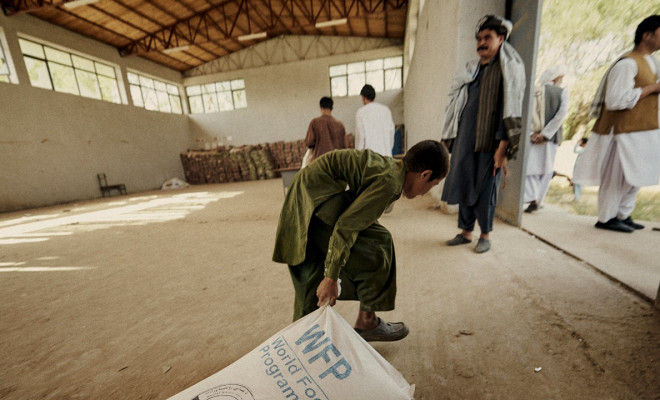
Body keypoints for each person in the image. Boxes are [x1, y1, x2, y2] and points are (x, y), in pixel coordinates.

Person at [272, 140, 450, 342]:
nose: (425, 192)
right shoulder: (390, 183)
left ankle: (314, 335)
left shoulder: (391, 169)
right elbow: (346, 226)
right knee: (376, 246)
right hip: (315, 199)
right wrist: (331, 277)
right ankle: (359, 324)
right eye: (432, 185)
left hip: (311, 193)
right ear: (425, 174)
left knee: (316, 268)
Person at [440, 15, 526, 253]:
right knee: (465, 184)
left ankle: (485, 235)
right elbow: (456, 106)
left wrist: (502, 148)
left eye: (487, 37)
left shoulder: (506, 71)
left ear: (501, 39)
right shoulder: (471, 71)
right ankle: (466, 232)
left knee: (486, 191)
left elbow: (507, 110)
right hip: (465, 139)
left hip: (491, 142)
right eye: (479, 38)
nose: (481, 43)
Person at [573, 15, 660, 233]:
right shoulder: (628, 63)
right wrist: (652, 89)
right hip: (621, 131)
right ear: (647, 35)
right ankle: (607, 217)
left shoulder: (652, 62)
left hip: (643, 130)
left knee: (635, 175)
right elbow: (615, 100)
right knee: (616, 175)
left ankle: (623, 214)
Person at [524, 65, 570, 213]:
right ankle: (538, 199)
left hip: (532, 137)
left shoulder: (533, 91)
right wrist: (545, 133)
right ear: (555, 78)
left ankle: (532, 198)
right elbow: (561, 115)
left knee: (531, 167)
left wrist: (531, 133)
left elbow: (526, 114)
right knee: (547, 169)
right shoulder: (563, 92)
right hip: (551, 137)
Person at [355, 84, 395, 157]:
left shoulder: (360, 112)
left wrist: (358, 155)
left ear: (363, 97)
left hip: (369, 158)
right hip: (386, 156)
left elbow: (360, 136)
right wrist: (388, 149)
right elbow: (391, 133)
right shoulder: (386, 110)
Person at [303, 96, 346, 165]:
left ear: (321, 108)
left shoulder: (315, 122)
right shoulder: (340, 125)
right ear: (332, 108)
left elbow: (309, 143)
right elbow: (345, 147)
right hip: (336, 163)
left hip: (320, 163)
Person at [571, 137, 588, 202]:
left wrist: (577, 144)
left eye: (580, 141)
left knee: (577, 182)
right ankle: (576, 197)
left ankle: (577, 198)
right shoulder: (585, 149)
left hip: (580, 167)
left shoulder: (584, 149)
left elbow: (575, 151)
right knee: (577, 182)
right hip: (579, 167)